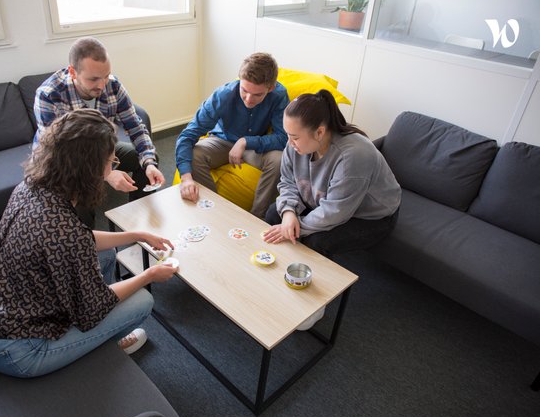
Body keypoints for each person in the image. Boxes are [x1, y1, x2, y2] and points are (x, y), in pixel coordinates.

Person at [0, 109, 178, 378]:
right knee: (142, 300)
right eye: (111, 160)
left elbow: (78, 239)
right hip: (13, 351)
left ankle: (90, 336)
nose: (113, 165)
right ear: (89, 167)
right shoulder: (64, 230)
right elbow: (93, 307)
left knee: (108, 256)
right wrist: (149, 275)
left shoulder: (31, 186)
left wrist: (136, 235)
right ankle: (101, 343)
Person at [263, 90, 401, 258]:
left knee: (316, 242)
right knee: (274, 213)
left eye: (295, 137)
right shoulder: (296, 144)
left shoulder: (354, 156)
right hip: (323, 201)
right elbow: (288, 181)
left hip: (370, 216)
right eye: (288, 135)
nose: (289, 143)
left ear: (320, 132)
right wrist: (289, 213)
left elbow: (335, 211)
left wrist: (295, 225)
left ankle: (324, 282)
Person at [34, 36, 164, 204]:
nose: (102, 85)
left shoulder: (113, 85)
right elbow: (58, 152)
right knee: (81, 206)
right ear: (73, 72)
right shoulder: (49, 95)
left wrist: (149, 162)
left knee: (147, 160)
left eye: (106, 76)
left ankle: (138, 213)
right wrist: (106, 173)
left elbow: (136, 127)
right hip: (62, 161)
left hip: (98, 148)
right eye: (93, 79)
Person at [175, 52, 290, 218]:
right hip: (222, 140)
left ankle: (257, 218)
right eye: (244, 90)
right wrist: (186, 178)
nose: (249, 99)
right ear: (239, 80)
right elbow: (188, 135)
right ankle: (216, 212)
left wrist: (245, 141)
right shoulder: (223, 95)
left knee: (280, 160)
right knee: (195, 154)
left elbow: (284, 138)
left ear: (270, 88)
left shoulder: (279, 95)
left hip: (254, 147)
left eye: (257, 94)